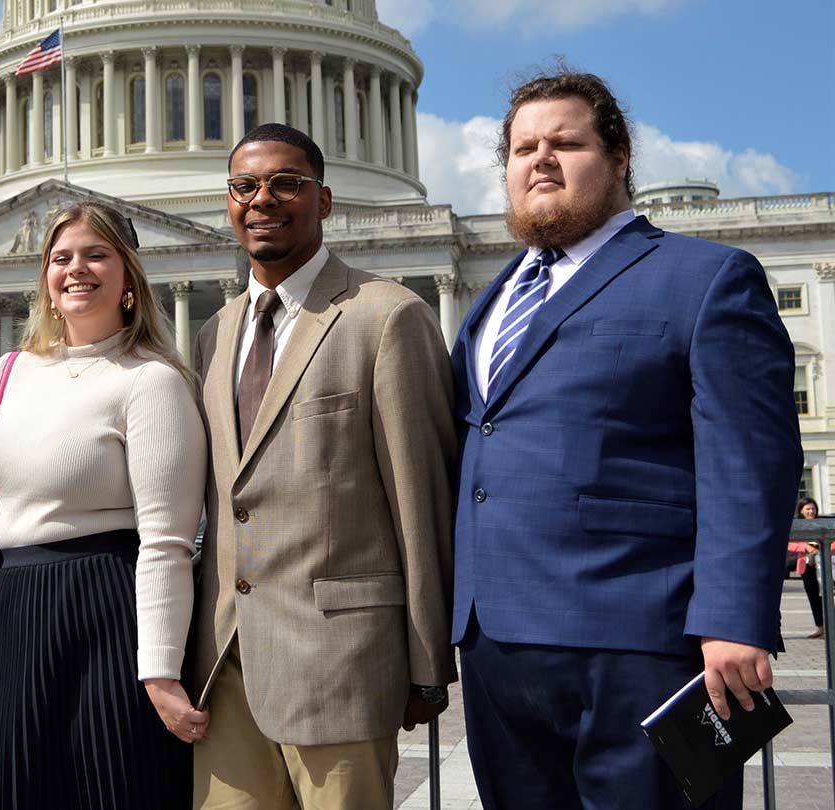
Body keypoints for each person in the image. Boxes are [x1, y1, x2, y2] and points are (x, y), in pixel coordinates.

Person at [449, 69, 804, 809]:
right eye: (522, 149)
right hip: (499, 654)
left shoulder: (705, 277)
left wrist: (736, 621)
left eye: (565, 143)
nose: (539, 160)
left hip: (643, 644)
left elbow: (751, 462)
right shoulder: (491, 301)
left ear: (619, 159)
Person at [186, 123, 457, 809]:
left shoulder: (387, 316)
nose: (263, 201)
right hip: (227, 666)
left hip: (340, 662)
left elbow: (420, 499)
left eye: (286, 183)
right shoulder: (213, 333)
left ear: (325, 200)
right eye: (245, 187)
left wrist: (427, 662)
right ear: (228, 202)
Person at [0, 201, 205, 809]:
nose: (76, 269)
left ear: (129, 276)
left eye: (96, 255)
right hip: (12, 607)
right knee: (6, 790)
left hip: (106, 606)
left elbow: (167, 539)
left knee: (110, 786)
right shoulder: (8, 372)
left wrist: (160, 667)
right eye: (61, 257)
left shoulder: (152, 379)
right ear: (43, 275)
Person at [799, 498, 825, 638]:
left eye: (813, 509)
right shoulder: (797, 525)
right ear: (801, 510)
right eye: (808, 509)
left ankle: (829, 626)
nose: (811, 511)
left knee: (825, 597)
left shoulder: (822, 524)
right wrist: (805, 547)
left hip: (824, 564)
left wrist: (822, 548)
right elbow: (790, 543)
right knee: (813, 597)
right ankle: (820, 628)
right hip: (806, 566)